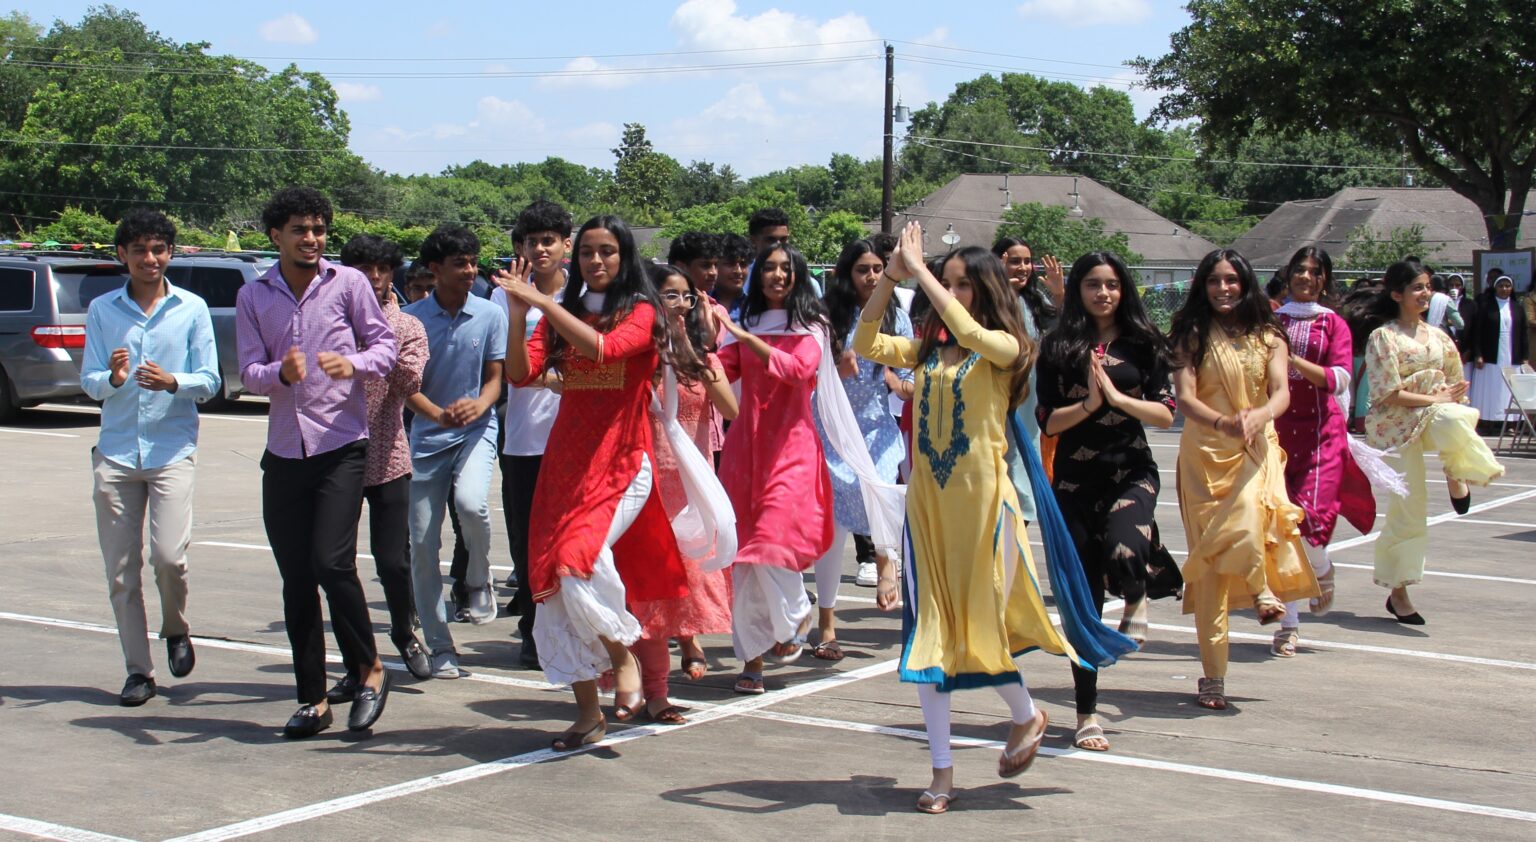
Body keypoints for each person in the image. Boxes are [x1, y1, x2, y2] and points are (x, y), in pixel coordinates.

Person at [856, 223, 1126, 814]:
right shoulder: (926, 354)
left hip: (986, 511)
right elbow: (865, 341)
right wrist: (894, 278)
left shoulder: (1006, 350)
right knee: (929, 640)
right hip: (928, 510)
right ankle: (943, 770)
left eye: (960, 284)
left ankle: (1027, 714)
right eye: (944, 285)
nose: (947, 294)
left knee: (976, 626)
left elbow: (975, 333)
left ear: (983, 289)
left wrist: (922, 270)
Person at [499, 214, 697, 750]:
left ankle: (622, 655)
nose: (596, 261)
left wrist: (543, 303)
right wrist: (519, 316)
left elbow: (605, 351)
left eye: (606, 251)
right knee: (553, 587)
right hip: (565, 464)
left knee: (576, 558)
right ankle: (587, 712)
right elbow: (520, 375)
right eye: (587, 252)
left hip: (622, 462)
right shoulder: (559, 313)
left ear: (624, 255)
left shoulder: (639, 311)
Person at [235, 186, 396, 738]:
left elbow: (385, 348)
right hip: (284, 451)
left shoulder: (348, 284)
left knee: (332, 563)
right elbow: (249, 370)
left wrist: (351, 364)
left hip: (341, 445)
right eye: (300, 230)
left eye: (319, 229)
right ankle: (312, 698)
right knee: (296, 578)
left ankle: (370, 669)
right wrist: (279, 374)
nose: (312, 239)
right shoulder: (254, 296)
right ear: (275, 236)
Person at [1036, 251, 1179, 750]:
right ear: (1077, 289)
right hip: (1075, 481)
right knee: (1083, 606)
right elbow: (1048, 421)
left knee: (1122, 549)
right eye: (1093, 284)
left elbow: (1165, 414)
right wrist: (1090, 405)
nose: (1104, 293)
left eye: (1113, 284)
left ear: (1125, 290)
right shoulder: (1058, 346)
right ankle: (1086, 715)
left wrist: (1118, 402)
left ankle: (1138, 589)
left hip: (1131, 471)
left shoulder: (1145, 343)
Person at [1167, 248, 1317, 712]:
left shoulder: (1269, 336)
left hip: (1256, 446)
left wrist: (1258, 419)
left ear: (1246, 283)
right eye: (1214, 281)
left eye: (1232, 280)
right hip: (1205, 454)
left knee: (1251, 512)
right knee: (1210, 566)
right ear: (1202, 286)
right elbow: (1185, 399)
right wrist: (1223, 423)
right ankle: (1213, 675)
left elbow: (1281, 393)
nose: (1223, 289)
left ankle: (1261, 588)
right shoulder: (1190, 334)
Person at [81, 208, 218, 707]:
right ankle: (139, 670)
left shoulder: (191, 308)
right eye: (139, 249)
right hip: (115, 454)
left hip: (170, 450)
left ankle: (176, 627)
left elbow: (210, 379)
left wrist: (173, 382)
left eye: (158, 249)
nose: (149, 258)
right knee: (121, 572)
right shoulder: (103, 310)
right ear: (123, 255)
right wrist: (114, 379)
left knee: (168, 559)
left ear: (170, 253)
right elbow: (89, 380)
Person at [717, 242, 835, 693]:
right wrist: (686, 347)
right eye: (769, 268)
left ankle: (795, 614)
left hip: (792, 450)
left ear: (798, 275)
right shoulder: (742, 325)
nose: (777, 276)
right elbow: (720, 370)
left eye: (786, 269)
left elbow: (798, 371)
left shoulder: (811, 326)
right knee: (743, 559)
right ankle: (752, 660)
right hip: (745, 452)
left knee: (769, 544)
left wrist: (747, 340)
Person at [629, 263, 739, 721]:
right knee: (647, 590)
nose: (680, 305)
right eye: (669, 296)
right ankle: (651, 690)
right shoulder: (638, 356)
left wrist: (706, 359)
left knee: (682, 587)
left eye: (686, 297)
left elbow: (731, 408)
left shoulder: (698, 356)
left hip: (689, 487)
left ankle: (652, 681)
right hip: (644, 481)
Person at [1366, 259, 1504, 624]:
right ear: (1396, 294)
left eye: (1427, 286)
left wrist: (1448, 397)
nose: (1425, 293)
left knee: (1457, 416)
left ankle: (1454, 469)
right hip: (1393, 427)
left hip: (1430, 416)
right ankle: (1399, 592)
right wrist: (1434, 399)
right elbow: (1386, 394)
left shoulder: (1440, 337)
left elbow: (1456, 386)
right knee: (1409, 509)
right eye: (1416, 287)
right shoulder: (1384, 337)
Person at [402, 225, 507, 679]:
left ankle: (478, 579)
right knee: (423, 547)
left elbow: (496, 378)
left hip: (477, 431)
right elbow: (403, 387)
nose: (470, 271)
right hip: (425, 439)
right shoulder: (409, 320)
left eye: (473, 262)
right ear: (434, 269)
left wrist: (479, 406)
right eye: (460, 263)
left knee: (470, 503)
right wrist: (436, 414)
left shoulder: (489, 315)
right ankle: (441, 646)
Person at [1272, 247, 1378, 656]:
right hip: (1278, 435)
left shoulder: (1333, 324)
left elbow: (1337, 380)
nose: (1306, 277)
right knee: (1283, 525)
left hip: (1321, 434)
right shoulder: (1272, 322)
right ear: (1289, 274)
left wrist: (1291, 357)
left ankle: (1321, 568)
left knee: (1311, 520)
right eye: (1299, 269)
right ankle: (1288, 624)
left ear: (1324, 280)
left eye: (1315, 272)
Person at [337, 234, 433, 688]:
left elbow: (409, 382)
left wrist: (376, 338)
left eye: (382, 268)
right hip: (335, 456)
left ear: (393, 273)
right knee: (335, 564)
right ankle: (354, 660)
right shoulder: (331, 320)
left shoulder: (409, 326)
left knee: (392, 559)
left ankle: (404, 630)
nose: (373, 277)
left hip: (388, 453)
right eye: (363, 268)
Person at [810, 239, 912, 661]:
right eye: (863, 270)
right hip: (832, 424)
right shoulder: (825, 317)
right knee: (831, 527)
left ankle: (887, 564)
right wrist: (836, 367)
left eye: (877, 269)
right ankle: (827, 622)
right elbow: (804, 371)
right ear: (845, 274)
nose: (871, 277)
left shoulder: (897, 317)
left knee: (882, 491)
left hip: (876, 426)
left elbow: (909, 378)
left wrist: (897, 383)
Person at [492, 200, 571, 670]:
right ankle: (533, 630)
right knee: (526, 543)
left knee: (574, 543)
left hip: (576, 440)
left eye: (548, 240)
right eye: (530, 241)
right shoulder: (502, 298)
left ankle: (573, 628)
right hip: (524, 441)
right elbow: (507, 368)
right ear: (519, 247)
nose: (539, 249)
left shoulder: (582, 298)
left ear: (566, 244)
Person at [1466, 274, 1527, 430]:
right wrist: (1478, 354)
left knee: (1509, 388)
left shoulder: (1517, 308)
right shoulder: (1486, 307)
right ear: (1495, 287)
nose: (1504, 289)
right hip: (1490, 356)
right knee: (1490, 388)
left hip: (1511, 354)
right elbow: (1478, 333)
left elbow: (1522, 334)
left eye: (1507, 286)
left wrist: (1524, 357)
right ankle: (1487, 422)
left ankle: (1510, 423)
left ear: (1511, 288)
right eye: (1501, 286)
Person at [714, 233, 752, 320]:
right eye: (730, 264)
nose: (738, 271)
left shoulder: (757, 306)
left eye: (743, 264)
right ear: (715, 265)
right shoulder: (698, 302)